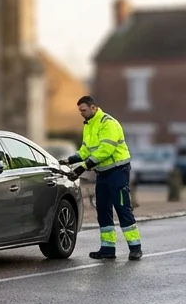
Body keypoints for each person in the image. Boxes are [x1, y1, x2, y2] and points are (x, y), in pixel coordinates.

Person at [60, 95, 141, 261]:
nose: (81, 113)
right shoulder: (89, 125)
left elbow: (105, 150)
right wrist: (68, 161)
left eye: (83, 110)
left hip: (118, 172)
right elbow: (85, 151)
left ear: (93, 108)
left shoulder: (107, 123)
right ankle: (108, 249)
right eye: (79, 111)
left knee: (122, 208)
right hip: (103, 174)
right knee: (103, 210)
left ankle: (135, 248)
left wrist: (83, 167)